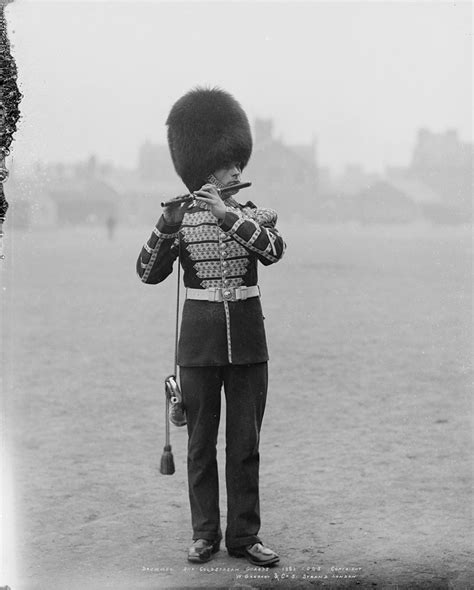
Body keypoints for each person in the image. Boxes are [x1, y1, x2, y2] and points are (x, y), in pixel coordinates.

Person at [136, 87, 286, 567]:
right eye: (228, 164)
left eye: (238, 162)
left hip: (247, 344)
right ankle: (205, 535)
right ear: (205, 167)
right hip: (198, 347)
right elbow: (146, 272)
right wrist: (165, 225)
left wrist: (228, 217)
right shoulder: (181, 220)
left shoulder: (251, 213)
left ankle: (245, 537)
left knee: (245, 446)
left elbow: (274, 250)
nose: (238, 171)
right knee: (201, 447)